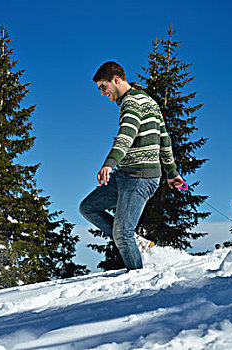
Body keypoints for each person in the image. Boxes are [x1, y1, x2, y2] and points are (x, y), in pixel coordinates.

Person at [79, 61, 184, 271]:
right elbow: (164, 139)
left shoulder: (131, 102)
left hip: (140, 177)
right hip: (125, 176)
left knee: (121, 232)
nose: (102, 93)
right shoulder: (148, 101)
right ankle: (137, 242)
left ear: (115, 80)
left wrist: (109, 163)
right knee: (88, 207)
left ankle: (137, 280)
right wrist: (171, 173)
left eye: (103, 86)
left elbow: (127, 134)